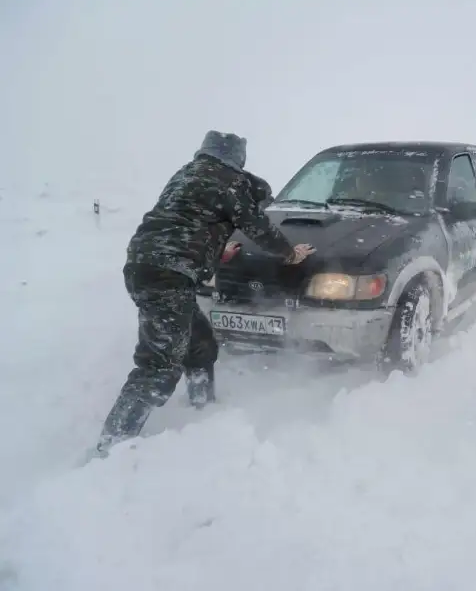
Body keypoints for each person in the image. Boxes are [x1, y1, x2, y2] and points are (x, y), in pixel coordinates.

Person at [93, 130, 315, 456]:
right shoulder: (231, 182)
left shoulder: (186, 175)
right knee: (159, 364)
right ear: (238, 161)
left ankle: (202, 406)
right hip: (168, 274)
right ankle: (111, 447)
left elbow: (185, 221)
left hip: (145, 264)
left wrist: (213, 252)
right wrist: (291, 254)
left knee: (199, 345)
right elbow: (260, 229)